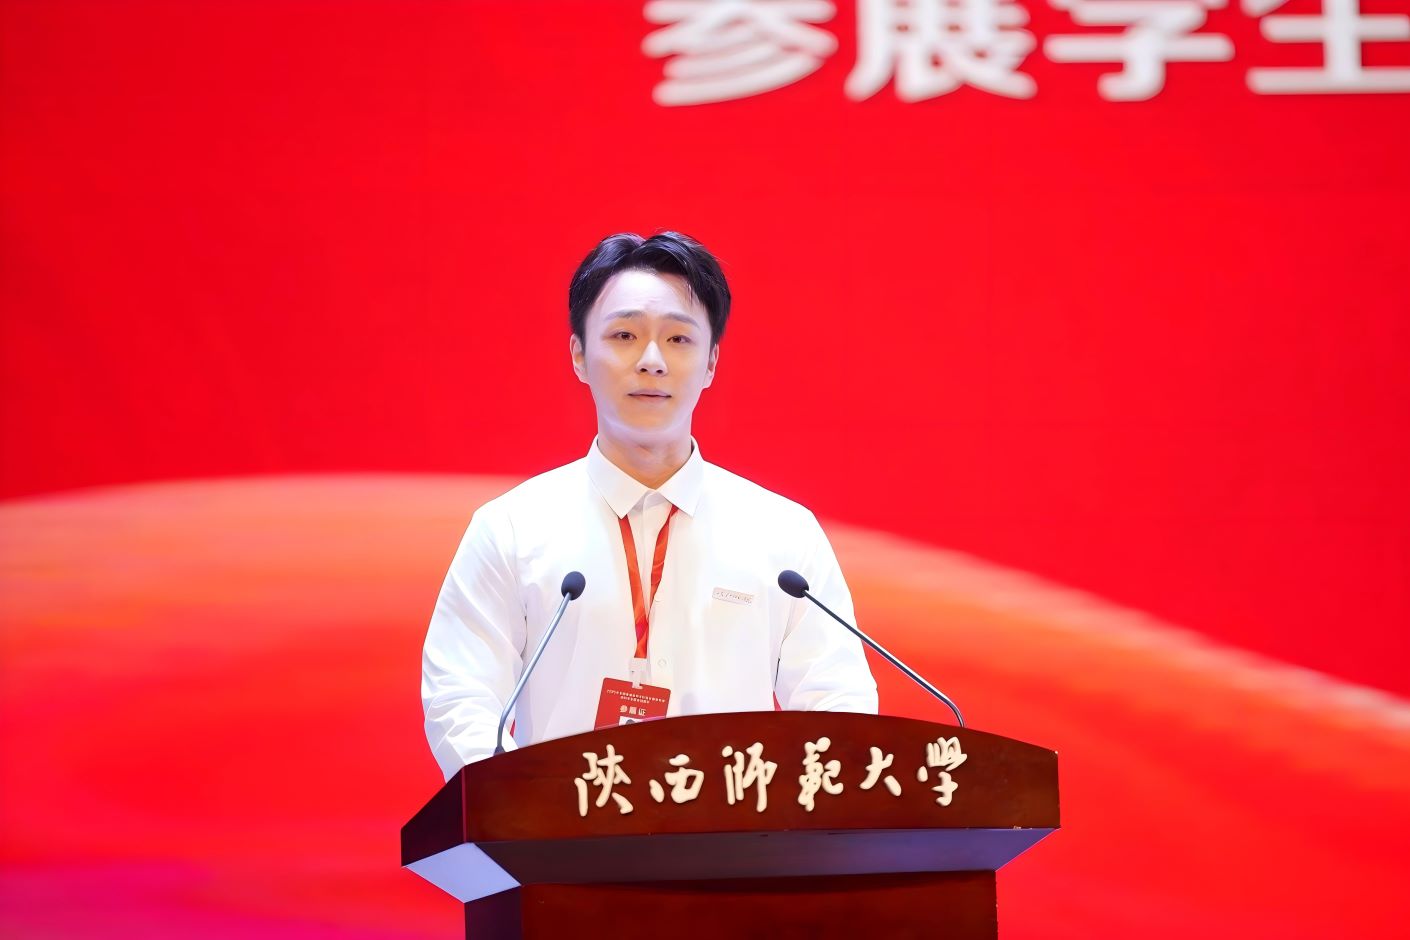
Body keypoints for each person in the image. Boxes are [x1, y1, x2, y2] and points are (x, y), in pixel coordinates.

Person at [421, 231, 877, 780]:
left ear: (711, 362)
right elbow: (460, 697)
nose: (652, 361)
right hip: (563, 831)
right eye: (625, 335)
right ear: (579, 355)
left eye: (679, 339)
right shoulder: (512, 529)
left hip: (735, 832)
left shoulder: (783, 535)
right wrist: (518, 809)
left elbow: (838, 704)